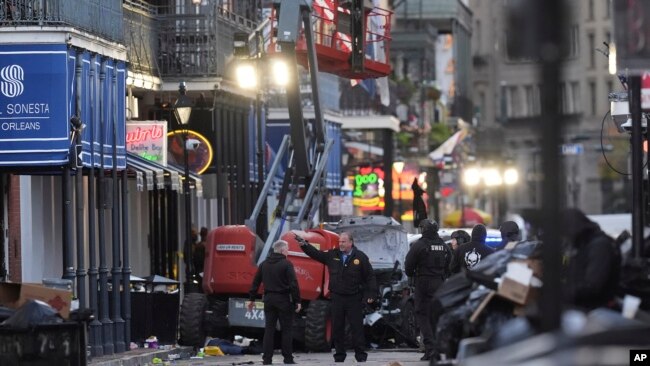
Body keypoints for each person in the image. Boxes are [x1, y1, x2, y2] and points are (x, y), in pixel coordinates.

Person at [295, 231, 376, 363]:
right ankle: (339, 356)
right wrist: (304, 245)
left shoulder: (360, 257)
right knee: (337, 328)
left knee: (357, 328)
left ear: (351, 242)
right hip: (337, 297)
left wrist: (371, 294)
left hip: (354, 298)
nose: (340, 244)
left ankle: (360, 356)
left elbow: (370, 277)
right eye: (339, 242)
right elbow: (316, 254)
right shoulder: (332, 254)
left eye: (343, 242)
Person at [404, 219, 452, 361]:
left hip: (423, 283)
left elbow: (408, 265)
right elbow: (449, 263)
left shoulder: (419, 245)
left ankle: (430, 349)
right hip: (439, 283)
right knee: (436, 315)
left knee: (423, 315)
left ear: (424, 230)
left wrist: (413, 275)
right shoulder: (444, 245)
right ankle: (437, 348)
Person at [248, 240, 301, 365]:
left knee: (269, 330)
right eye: (287, 249)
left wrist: (251, 299)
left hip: (269, 300)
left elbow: (255, 283)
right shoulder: (287, 264)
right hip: (283, 300)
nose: (288, 251)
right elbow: (293, 284)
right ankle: (288, 359)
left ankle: (267, 359)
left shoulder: (264, 264)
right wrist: (297, 300)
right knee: (287, 330)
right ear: (282, 250)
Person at [561, 208, 620, 310]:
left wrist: (562, 293)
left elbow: (592, 286)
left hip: (596, 308)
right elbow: (566, 265)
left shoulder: (599, 246)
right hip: (582, 305)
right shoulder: (578, 244)